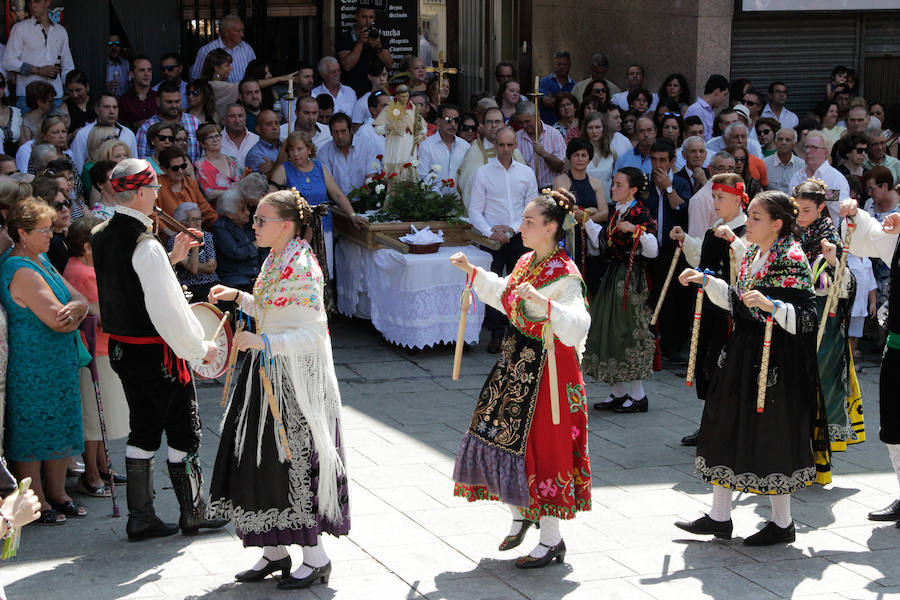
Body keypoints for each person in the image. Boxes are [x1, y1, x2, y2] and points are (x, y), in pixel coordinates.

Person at [207, 189, 349, 589]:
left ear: (285, 225)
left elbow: (312, 333)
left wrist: (264, 343)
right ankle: (274, 552)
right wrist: (239, 298)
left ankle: (316, 557)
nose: (253, 226)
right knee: (261, 463)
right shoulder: (277, 257)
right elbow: (274, 310)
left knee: (293, 464)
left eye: (260, 220)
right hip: (268, 375)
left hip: (294, 385)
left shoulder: (303, 266)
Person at [675, 191, 830, 546]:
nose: (748, 222)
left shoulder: (791, 259)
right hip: (745, 351)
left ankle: (782, 522)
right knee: (725, 423)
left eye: (756, 217)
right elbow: (739, 300)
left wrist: (774, 306)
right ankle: (719, 516)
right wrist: (709, 282)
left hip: (775, 360)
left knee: (771, 432)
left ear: (777, 224)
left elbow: (808, 317)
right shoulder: (753, 252)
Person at [450, 190, 591, 568]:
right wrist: (475, 274)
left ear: (550, 228)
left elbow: (578, 324)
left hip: (549, 370)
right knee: (498, 434)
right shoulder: (527, 260)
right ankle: (520, 512)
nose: (521, 226)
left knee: (544, 447)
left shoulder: (565, 275)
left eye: (529, 221)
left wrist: (548, 305)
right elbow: (507, 295)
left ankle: (552, 539)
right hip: (516, 361)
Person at [91, 158, 225, 540]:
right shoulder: (144, 244)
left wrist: (171, 262)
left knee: (144, 429)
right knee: (185, 431)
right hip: (157, 353)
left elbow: (133, 285)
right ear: (139, 192)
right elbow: (165, 308)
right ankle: (193, 512)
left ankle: (141, 516)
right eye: (152, 189)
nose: (157, 195)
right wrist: (200, 347)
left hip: (123, 351)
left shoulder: (101, 234)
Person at [2, 196, 88, 524]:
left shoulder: (40, 259)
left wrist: (78, 308)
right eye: (43, 230)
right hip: (33, 363)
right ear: (22, 233)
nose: (51, 235)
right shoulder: (18, 268)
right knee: (33, 430)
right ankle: (35, 500)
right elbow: (59, 319)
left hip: (58, 358)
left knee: (61, 425)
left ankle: (58, 493)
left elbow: (78, 301)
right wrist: (78, 310)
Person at [668, 172, 748, 446]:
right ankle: (710, 424)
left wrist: (734, 242)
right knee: (708, 362)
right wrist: (686, 241)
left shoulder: (745, 230)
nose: (715, 202)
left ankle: (729, 427)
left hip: (731, 309)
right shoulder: (717, 225)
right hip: (710, 307)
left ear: (738, 198)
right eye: (714, 196)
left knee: (727, 365)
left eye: (720, 197)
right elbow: (705, 255)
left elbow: (750, 262)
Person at [63, 215, 130, 497]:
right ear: (88, 246)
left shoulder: (84, 267)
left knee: (104, 412)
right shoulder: (83, 273)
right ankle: (91, 473)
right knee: (94, 415)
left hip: (100, 349)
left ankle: (103, 465)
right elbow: (99, 314)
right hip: (94, 350)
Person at [793, 179, 862, 452]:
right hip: (796, 314)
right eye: (796, 209)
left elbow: (842, 286)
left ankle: (819, 440)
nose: (800, 215)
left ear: (821, 207)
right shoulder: (790, 233)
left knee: (822, 374)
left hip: (824, 318)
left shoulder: (830, 239)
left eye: (807, 210)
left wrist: (832, 263)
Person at [583, 167, 658, 412]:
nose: (613, 188)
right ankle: (619, 392)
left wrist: (637, 231)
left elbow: (653, 250)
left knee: (628, 331)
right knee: (607, 328)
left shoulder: (640, 212)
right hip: (614, 275)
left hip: (631, 278)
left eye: (618, 185)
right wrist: (585, 220)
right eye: (613, 184)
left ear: (633, 189)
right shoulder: (619, 210)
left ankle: (639, 396)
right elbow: (605, 240)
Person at [468, 127, 538, 352]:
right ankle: (496, 335)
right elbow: (475, 210)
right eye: (501, 145)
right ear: (495, 146)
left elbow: (533, 207)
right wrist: (490, 231)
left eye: (510, 145)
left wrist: (514, 228)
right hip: (492, 239)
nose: (506, 150)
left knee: (519, 285)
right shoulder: (483, 173)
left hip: (520, 236)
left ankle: (515, 335)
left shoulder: (526, 173)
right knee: (493, 285)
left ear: (515, 145)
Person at [270, 131, 365, 277]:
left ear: (309, 149)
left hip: (322, 228)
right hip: (297, 232)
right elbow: (271, 198)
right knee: (299, 273)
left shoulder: (319, 167)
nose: (295, 154)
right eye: (291, 149)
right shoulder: (284, 169)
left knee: (322, 272)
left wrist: (352, 215)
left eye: (299, 149)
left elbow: (337, 194)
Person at [552, 137, 609, 289]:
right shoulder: (561, 181)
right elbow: (563, 212)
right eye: (576, 155)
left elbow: (604, 213)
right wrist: (590, 211)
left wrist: (584, 216)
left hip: (592, 238)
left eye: (584, 155)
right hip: (569, 238)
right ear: (570, 157)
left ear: (589, 158)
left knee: (592, 282)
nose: (580, 159)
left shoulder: (595, 182)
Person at [3, 0, 74, 111]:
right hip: (28, 97)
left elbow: (68, 65)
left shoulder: (60, 31)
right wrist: (37, 70)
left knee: (58, 128)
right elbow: (8, 61)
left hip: (56, 96)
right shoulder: (20, 28)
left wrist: (71, 91)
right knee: (29, 128)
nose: (32, 5)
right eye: (30, 2)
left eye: (37, 1)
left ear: (47, 2)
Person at [457, 107, 526, 208]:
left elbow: (525, 182)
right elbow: (468, 187)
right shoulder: (474, 152)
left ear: (504, 125)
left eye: (497, 122)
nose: (493, 125)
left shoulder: (515, 151)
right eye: (489, 122)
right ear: (483, 126)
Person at [69, 92, 138, 175]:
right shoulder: (83, 134)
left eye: (115, 107)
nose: (112, 111)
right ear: (96, 109)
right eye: (107, 107)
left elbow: (133, 167)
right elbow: (77, 167)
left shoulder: (128, 134)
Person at [790, 130, 850, 224]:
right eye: (806, 147)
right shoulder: (797, 176)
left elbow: (843, 209)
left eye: (814, 147)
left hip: (829, 233)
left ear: (826, 152)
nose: (808, 151)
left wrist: (821, 195)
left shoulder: (836, 178)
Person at [163, 202, 219, 302]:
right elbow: (193, 269)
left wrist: (195, 265)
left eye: (200, 219)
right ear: (183, 223)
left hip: (211, 284)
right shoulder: (175, 242)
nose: (198, 223)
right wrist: (196, 242)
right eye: (194, 219)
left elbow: (211, 267)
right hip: (191, 288)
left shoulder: (207, 237)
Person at [136, 80, 202, 162]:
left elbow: (203, 156)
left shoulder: (194, 122)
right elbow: (141, 162)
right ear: (158, 101)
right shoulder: (146, 128)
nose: (174, 105)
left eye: (177, 101)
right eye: (169, 102)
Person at [373, 85, 426, 184]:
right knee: (394, 185)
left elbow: (424, 128)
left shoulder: (413, 108)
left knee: (410, 184)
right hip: (395, 149)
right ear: (396, 96)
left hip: (409, 149)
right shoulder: (389, 109)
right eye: (402, 96)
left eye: (406, 96)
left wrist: (422, 135)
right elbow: (377, 129)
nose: (405, 99)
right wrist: (388, 127)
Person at [317, 113, 380, 196]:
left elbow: (371, 176)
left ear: (350, 130)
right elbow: (327, 183)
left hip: (363, 201)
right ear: (331, 133)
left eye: (343, 131)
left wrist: (364, 199)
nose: (340, 136)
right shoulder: (324, 151)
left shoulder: (366, 146)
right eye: (336, 132)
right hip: (335, 204)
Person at [336, 5, 393, 96]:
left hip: (376, 91)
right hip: (353, 90)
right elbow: (347, 66)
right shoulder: (345, 38)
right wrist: (360, 43)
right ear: (356, 16)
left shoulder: (379, 38)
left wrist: (378, 47)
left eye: (371, 17)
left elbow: (389, 65)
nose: (368, 21)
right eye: (364, 17)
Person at [157, 146, 217, 230]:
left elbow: (206, 211)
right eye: (175, 168)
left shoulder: (190, 183)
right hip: (170, 237)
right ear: (163, 169)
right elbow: (152, 215)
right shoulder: (157, 186)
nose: (180, 171)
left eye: (183, 166)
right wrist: (168, 232)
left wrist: (221, 226)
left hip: (195, 234)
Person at [416, 103, 470, 194]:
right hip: (433, 202)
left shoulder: (466, 146)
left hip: (459, 203)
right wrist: (438, 199)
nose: (453, 124)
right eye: (448, 119)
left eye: (456, 120)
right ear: (439, 121)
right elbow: (423, 176)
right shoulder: (426, 145)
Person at [190, 14, 256, 83]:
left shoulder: (247, 49)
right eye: (238, 31)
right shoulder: (207, 50)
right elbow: (196, 79)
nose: (242, 34)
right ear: (226, 33)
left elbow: (254, 75)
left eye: (242, 30)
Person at [515, 101, 565, 190]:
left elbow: (561, 167)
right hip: (526, 190)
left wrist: (545, 154)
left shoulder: (554, 135)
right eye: (521, 123)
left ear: (537, 116)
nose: (524, 125)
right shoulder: (516, 137)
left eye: (527, 121)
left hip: (551, 189)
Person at [194, 123, 240, 204]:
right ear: (202, 143)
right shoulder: (200, 165)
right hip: (217, 211)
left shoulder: (232, 161)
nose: (215, 140)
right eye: (210, 137)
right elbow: (209, 194)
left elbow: (241, 184)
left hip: (238, 207)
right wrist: (235, 191)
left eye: (217, 136)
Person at [580, 112, 617, 196]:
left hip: (608, 202)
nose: (594, 131)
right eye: (590, 127)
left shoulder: (612, 153)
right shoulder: (578, 153)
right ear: (585, 129)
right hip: (585, 202)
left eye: (598, 127)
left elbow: (616, 179)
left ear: (603, 128)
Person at [119, 56, 157, 131]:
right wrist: (134, 126)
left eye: (149, 70)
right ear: (132, 74)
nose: (147, 74)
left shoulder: (159, 98)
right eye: (142, 70)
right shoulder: (123, 101)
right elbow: (119, 128)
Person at [764, 128, 805, 195]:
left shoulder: (802, 165)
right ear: (775, 142)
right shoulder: (764, 164)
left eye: (788, 140)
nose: (783, 142)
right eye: (780, 139)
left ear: (794, 144)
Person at [350, 61, 389, 128]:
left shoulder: (393, 99)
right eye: (377, 75)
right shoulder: (361, 103)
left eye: (384, 75)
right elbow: (356, 129)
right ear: (370, 77)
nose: (382, 79)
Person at [220, 103, 259, 170]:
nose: (237, 120)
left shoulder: (256, 140)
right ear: (225, 119)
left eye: (240, 116)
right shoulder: (216, 141)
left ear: (245, 118)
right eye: (232, 116)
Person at [245, 109, 281, 176]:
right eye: (269, 124)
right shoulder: (254, 154)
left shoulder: (287, 146)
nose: (275, 127)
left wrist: (275, 166)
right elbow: (268, 180)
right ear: (258, 129)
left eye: (277, 123)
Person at [59, 71, 94, 137]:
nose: (75, 95)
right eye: (71, 91)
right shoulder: (64, 108)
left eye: (78, 90)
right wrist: (73, 135)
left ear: (87, 87)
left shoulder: (97, 103)